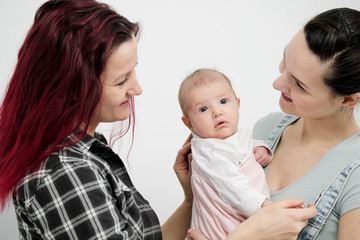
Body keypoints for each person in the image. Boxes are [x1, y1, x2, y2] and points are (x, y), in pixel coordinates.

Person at [0, 0, 316, 239]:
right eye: (122, 80)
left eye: (135, 70)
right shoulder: (67, 173)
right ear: (72, 86)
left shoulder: (88, 152)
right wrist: (250, 233)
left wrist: (195, 195)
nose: (137, 88)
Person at [252, 7, 360, 240]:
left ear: (348, 99)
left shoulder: (356, 174)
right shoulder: (267, 129)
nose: (277, 83)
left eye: (300, 85)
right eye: (285, 60)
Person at [178, 68, 272, 239]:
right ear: (189, 123)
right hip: (222, 231)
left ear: (237, 104)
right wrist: (267, 208)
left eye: (223, 101)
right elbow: (234, 187)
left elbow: (245, 143)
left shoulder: (237, 136)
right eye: (203, 109)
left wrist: (261, 148)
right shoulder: (209, 151)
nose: (217, 112)